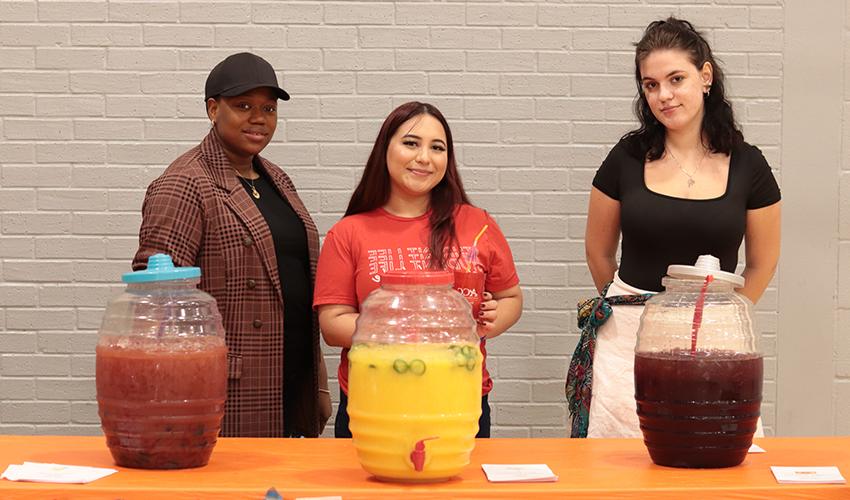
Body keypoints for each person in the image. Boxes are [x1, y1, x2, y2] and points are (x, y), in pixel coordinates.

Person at [570, 18, 781, 438]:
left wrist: (723, 317)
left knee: (716, 456)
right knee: (620, 466)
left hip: (714, 335)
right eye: (650, 85)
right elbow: (598, 253)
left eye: (676, 79)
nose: (663, 95)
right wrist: (638, 310)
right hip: (627, 337)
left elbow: (762, 262)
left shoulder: (749, 165)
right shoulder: (625, 157)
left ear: (706, 76)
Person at [132, 52, 331, 437]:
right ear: (212, 109)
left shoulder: (277, 179)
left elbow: (295, 286)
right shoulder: (185, 183)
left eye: (268, 108)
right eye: (243, 106)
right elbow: (157, 307)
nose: (259, 118)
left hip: (291, 380)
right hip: (228, 388)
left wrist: (318, 378)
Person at [314, 101, 523, 438]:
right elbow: (333, 324)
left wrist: (496, 317)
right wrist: (411, 326)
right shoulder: (349, 232)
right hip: (374, 400)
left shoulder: (477, 224)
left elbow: (510, 296)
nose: (424, 157)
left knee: (455, 491)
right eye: (411, 143)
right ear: (386, 149)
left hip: (458, 397)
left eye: (437, 148)